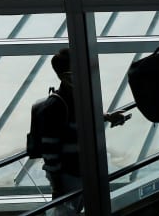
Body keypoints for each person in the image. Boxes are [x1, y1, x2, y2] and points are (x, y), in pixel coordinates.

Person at [37, 48, 124, 214]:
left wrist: (107, 117)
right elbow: (50, 149)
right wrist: (57, 187)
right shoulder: (55, 106)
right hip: (68, 174)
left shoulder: (78, 96)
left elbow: (83, 119)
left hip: (81, 169)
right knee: (68, 210)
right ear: (65, 76)